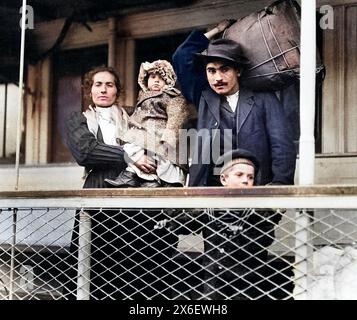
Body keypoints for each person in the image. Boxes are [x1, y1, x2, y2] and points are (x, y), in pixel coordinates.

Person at [64, 66, 178, 299]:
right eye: (98, 84)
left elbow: (156, 135)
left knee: (135, 263)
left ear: (117, 90)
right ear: (89, 90)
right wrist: (129, 155)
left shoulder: (133, 115)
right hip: (99, 193)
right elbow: (86, 152)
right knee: (95, 262)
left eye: (109, 85)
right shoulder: (79, 119)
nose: (104, 90)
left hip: (134, 195)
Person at [172, 20, 296, 187]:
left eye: (225, 69)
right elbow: (181, 56)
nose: (218, 78)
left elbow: (281, 145)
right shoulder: (203, 97)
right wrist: (216, 30)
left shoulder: (264, 98)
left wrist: (280, 183)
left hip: (253, 189)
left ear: (238, 71)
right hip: (210, 191)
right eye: (211, 71)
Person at [172, 148, 283, 299]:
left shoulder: (257, 210)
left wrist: (241, 232)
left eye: (250, 177)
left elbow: (266, 238)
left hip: (247, 278)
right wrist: (171, 218)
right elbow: (186, 224)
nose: (245, 180)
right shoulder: (210, 207)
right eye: (239, 175)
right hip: (214, 278)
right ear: (224, 179)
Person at [105, 59, 193, 188]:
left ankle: (166, 182)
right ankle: (135, 176)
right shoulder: (143, 95)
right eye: (152, 77)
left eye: (161, 78)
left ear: (168, 81)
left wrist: (170, 134)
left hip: (159, 132)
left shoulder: (171, 96)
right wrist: (121, 110)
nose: (156, 80)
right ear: (146, 80)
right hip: (143, 132)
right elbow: (137, 111)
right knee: (132, 149)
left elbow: (177, 114)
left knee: (164, 159)